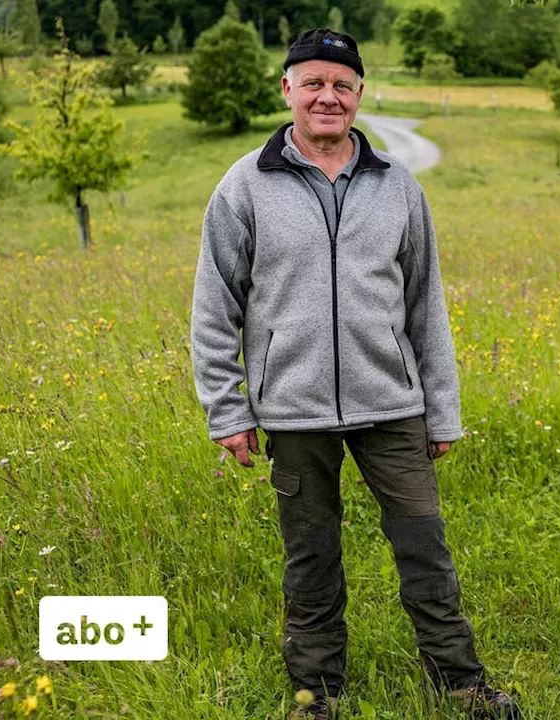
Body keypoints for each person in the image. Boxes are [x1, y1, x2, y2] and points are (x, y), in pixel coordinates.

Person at [189, 28, 520, 720]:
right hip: (291, 410)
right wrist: (228, 410)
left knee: (426, 552)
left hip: (392, 404)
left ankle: (460, 685)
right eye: (313, 83)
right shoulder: (245, 184)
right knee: (310, 564)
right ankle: (316, 696)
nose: (328, 97)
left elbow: (427, 304)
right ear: (287, 90)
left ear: (360, 95)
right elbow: (214, 305)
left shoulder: (398, 186)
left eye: (342, 85)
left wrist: (443, 410)